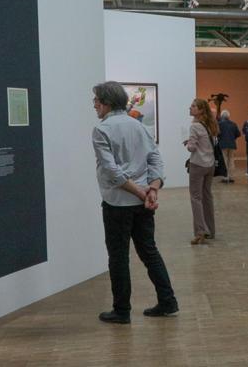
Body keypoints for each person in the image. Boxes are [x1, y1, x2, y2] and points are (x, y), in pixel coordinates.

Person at [91, 81, 178, 324]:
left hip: (118, 203)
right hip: (142, 205)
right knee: (149, 251)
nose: (95, 105)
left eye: (96, 100)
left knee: (118, 257)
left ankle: (121, 310)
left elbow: (112, 172)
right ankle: (168, 300)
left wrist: (144, 192)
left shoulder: (102, 130)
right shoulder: (137, 126)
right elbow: (155, 159)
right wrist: (152, 189)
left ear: (107, 102)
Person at [184, 98, 219, 245]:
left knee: (196, 198)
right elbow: (212, 142)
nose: (190, 108)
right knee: (207, 197)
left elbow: (192, 148)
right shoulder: (211, 125)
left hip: (198, 165)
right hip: (210, 165)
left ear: (200, 110)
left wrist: (188, 144)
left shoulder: (195, 126)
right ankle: (210, 230)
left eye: (193, 106)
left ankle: (200, 232)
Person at [217, 110, 241, 183]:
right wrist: (232, 138)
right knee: (231, 160)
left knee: (224, 160)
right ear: (228, 116)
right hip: (232, 144)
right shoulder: (233, 124)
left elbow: (217, 134)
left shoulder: (219, 124)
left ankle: (225, 177)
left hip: (223, 144)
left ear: (222, 116)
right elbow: (238, 134)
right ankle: (231, 177)